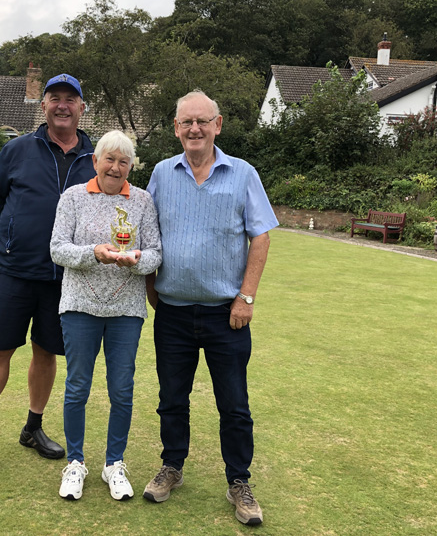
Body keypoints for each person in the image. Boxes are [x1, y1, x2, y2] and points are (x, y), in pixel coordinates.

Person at [0, 74, 96, 482]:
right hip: (15, 271)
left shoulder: (95, 158)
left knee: (46, 352)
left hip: (64, 277)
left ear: (82, 108)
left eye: (71, 99)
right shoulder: (16, 150)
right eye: (54, 99)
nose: (62, 105)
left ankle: (32, 427)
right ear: (43, 106)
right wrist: (16, 234)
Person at [142, 91, 278, 526]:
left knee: (234, 403)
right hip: (174, 313)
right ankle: (172, 467)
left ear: (218, 125)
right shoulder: (162, 173)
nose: (194, 129)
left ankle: (239, 481)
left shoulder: (242, 173)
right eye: (186, 123)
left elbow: (261, 237)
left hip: (227, 314)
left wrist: (247, 296)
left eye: (203, 121)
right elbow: (148, 234)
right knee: (171, 399)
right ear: (176, 128)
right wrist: (151, 286)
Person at [50, 130, 162, 501]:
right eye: (109, 159)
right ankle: (76, 462)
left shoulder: (143, 201)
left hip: (126, 310)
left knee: (122, 389)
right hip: (80, 305)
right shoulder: (74, 197)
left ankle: (114, 463)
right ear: (95, 161)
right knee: (77, 386)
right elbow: (57, 249)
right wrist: (93, 253)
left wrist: (135, 261)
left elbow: (155, 253)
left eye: (124, 161)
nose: (116, 167)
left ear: (131, 166)